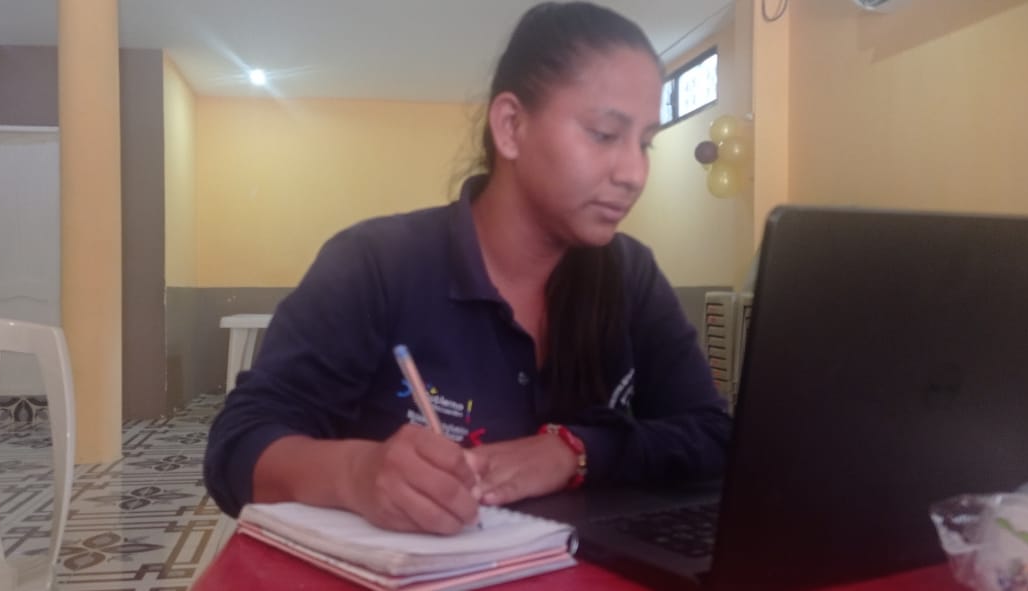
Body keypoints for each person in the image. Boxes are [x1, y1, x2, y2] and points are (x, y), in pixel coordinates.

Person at [204, 1, 731, 536]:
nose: (634, 173)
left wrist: (573, 452)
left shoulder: (630, 276)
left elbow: (713, 435)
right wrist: (356, 473)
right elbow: (238, 446)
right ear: (511, 126)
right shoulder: (375, 263)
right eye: (603, 134)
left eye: (645, 143)